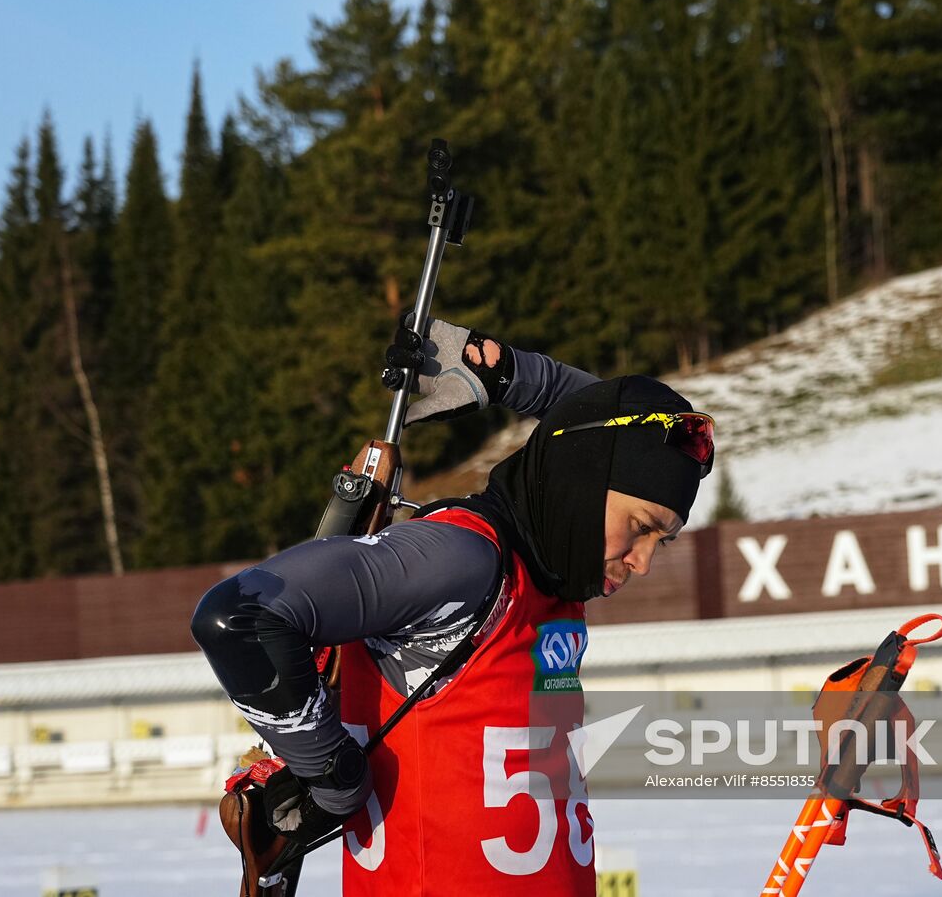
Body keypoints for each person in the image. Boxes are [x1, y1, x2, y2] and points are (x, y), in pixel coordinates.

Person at [191, 318, 714, 894]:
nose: (642, 560)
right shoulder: (463, 559)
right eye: (640, 528)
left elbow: (614, 422)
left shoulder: (548, 577)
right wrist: (330, 771)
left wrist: (511, 375)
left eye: (660, 540)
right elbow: (239, 617)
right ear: (581, 484)